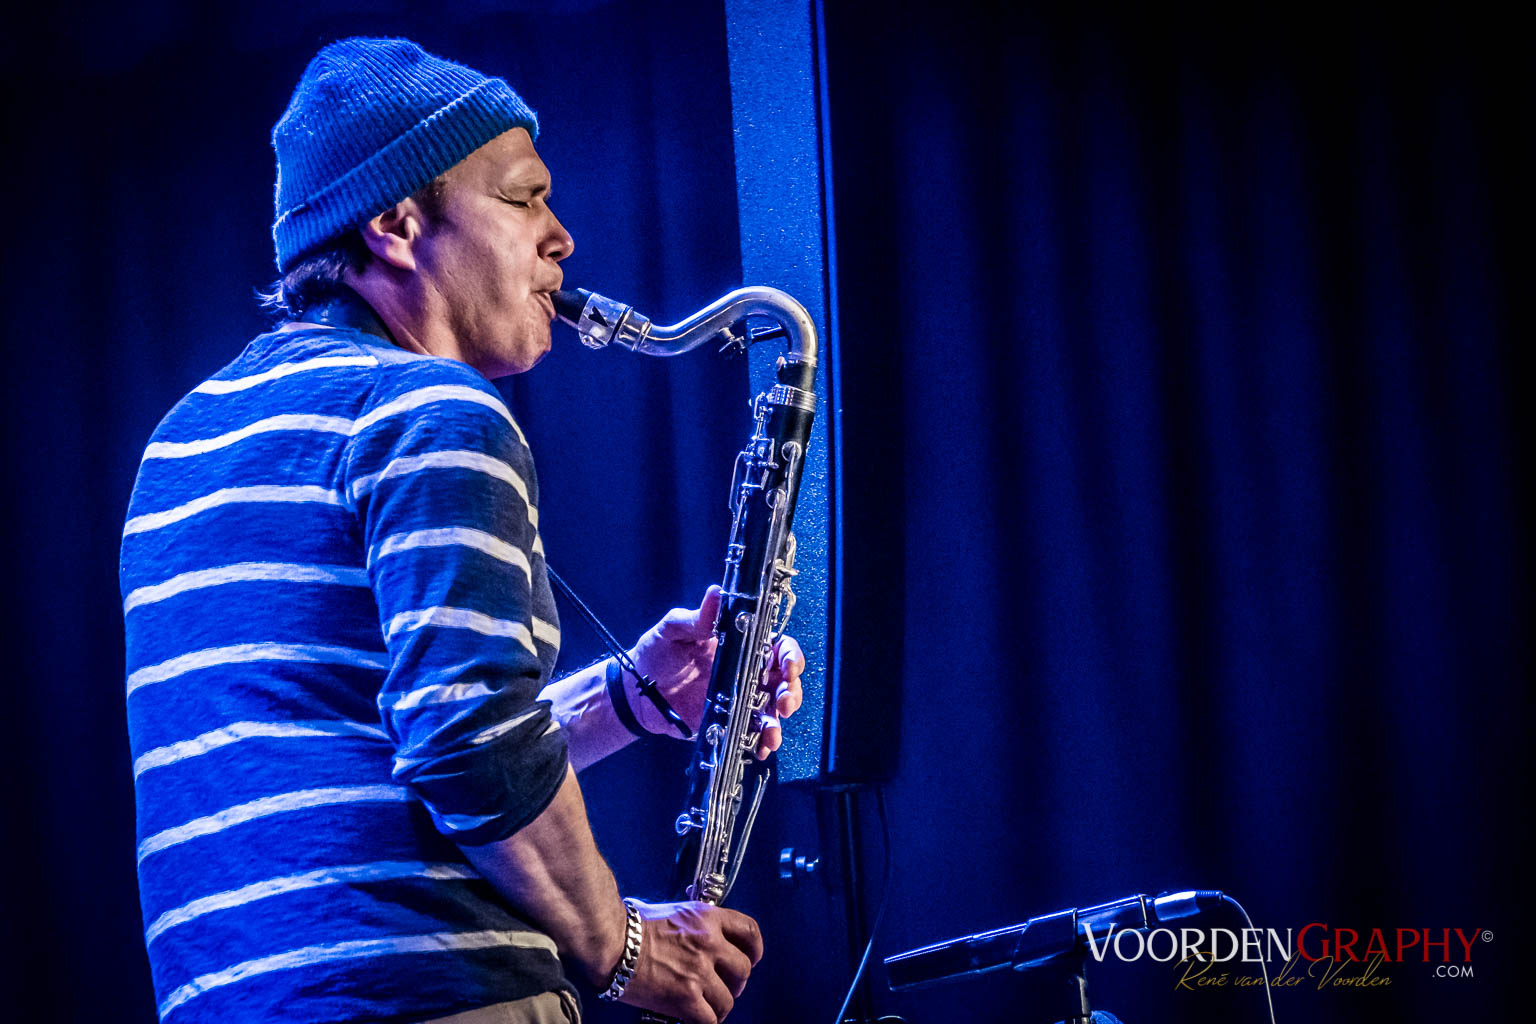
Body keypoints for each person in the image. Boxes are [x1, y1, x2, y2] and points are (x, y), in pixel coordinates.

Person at [120, 37, 803, 1024]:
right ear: (396, 224)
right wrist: (626, 949)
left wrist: (628, 698)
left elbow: (393, 744)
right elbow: (467, 742)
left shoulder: (180, 444)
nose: (562, 238)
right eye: (525, 199)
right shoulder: (432, 409)